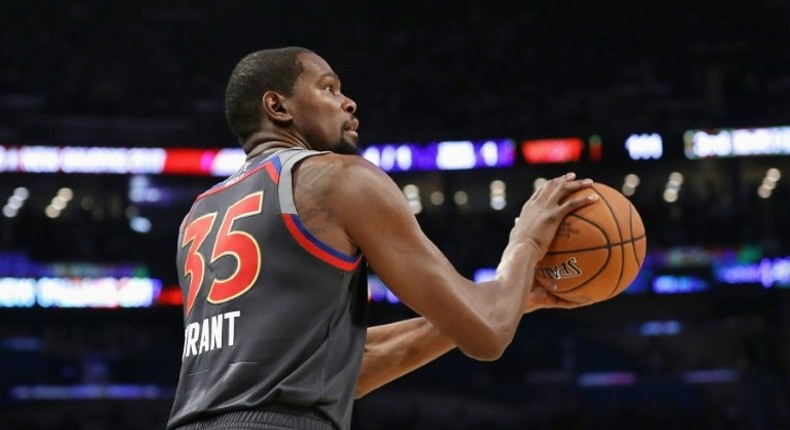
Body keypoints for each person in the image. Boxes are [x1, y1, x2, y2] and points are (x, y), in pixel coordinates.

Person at [166, 46, 599, 430]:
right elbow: (487, 334)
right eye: (329, 88)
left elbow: (339, 371)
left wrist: (510, 298)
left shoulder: (197, 215)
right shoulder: (337, 179)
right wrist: (525, 243)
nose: (348, 102)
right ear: (278, 107)